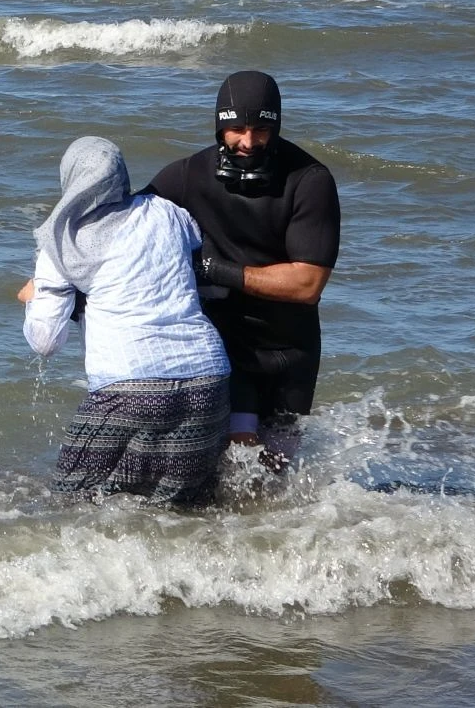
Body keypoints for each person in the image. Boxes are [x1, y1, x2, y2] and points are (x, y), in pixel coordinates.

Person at [19, 136, 231, 507]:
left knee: (69, 508)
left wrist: (37, 294)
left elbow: (45, 341)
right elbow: (194, 258)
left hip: (128, 386)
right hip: (207, 380)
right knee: (183, 514)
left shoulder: (62, 240)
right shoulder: (166, 212)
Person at [146, 71, 340, 470]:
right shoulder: (186, 176)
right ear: (219, 125)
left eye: (261, 129)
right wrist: (57, 278)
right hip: (225, 345)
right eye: (235, 129)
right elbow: (123, 228)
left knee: (276, 473)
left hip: (292, 349)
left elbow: (307, 284)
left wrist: (213, 270)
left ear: (277, 125)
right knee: (238, 455)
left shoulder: (309, 180)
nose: (248, 142)